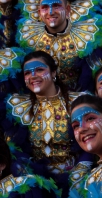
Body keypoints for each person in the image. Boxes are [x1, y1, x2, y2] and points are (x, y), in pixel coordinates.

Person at [5, 51, 81, 180]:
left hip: (74, 178)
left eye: (39, 70)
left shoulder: (78, 102)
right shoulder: (17, 107)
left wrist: (80, 172)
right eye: (27, 73)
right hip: (37, 181)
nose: (33, 76)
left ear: (53, 72)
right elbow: (14, 148)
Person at [16, 0, 102, 91]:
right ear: (39, 13)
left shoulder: (89, 35)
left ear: (67, 10)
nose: (50, 12)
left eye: (56, 6)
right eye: (45, 7)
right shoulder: (27, 36)